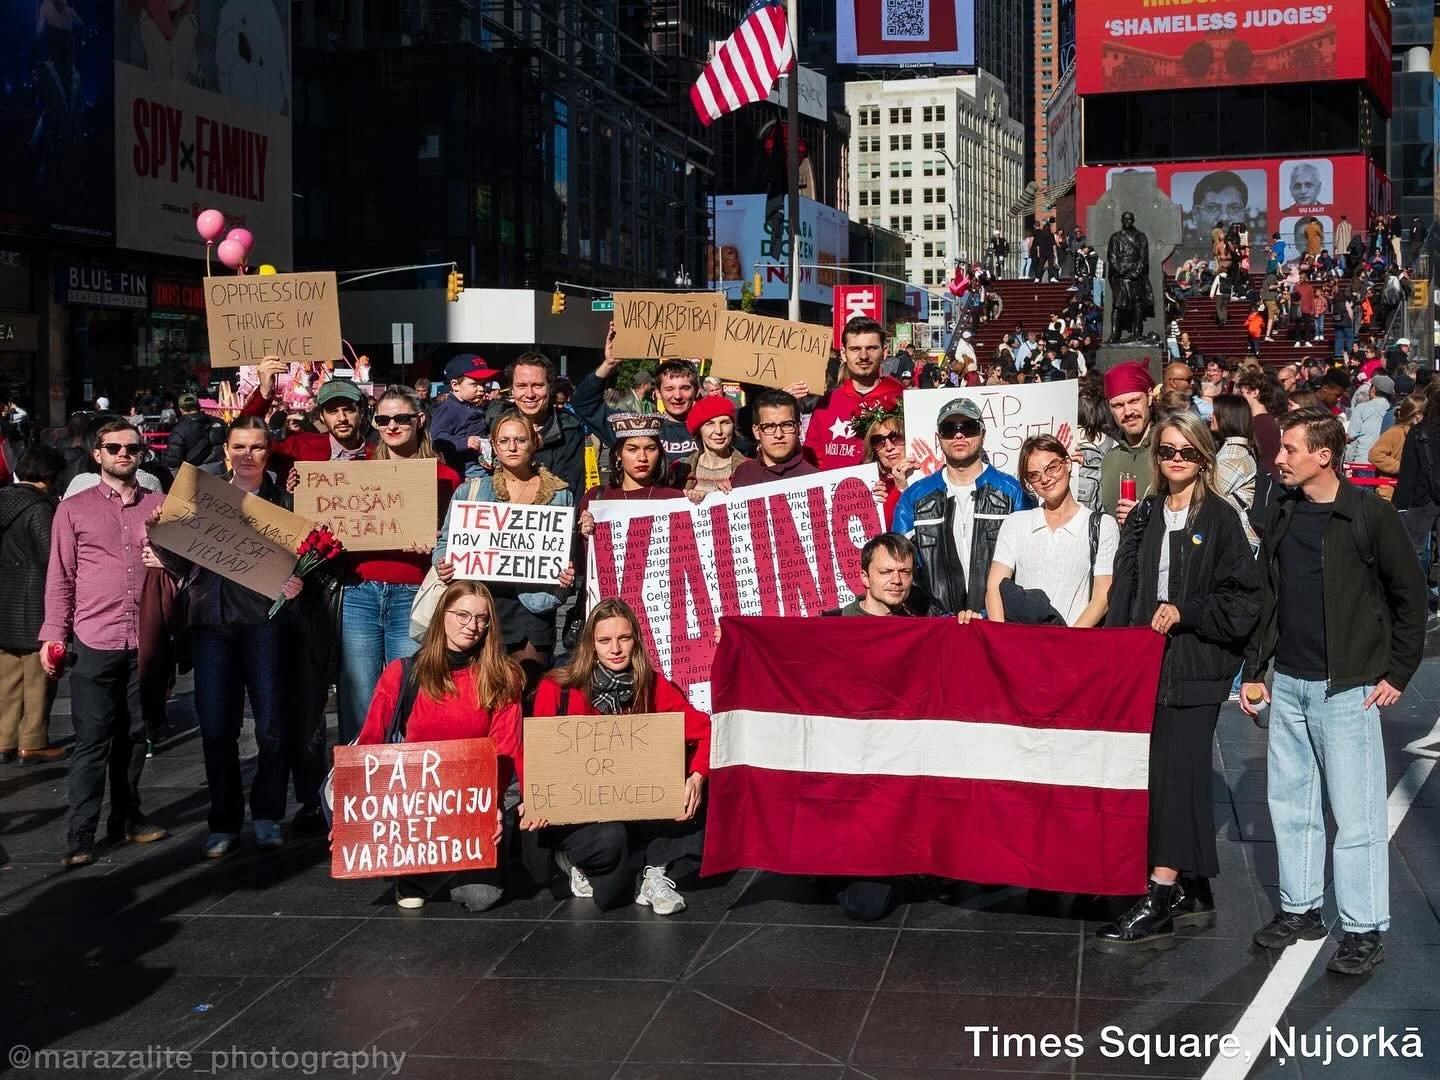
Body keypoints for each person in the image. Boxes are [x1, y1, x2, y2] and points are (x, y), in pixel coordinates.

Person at [1242, 408, 1426, 974]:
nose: (1279, 458)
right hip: (1290, 683)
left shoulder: (1370, 515)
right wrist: (1255, 668)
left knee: (1358, 815)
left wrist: (1397, 674)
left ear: (1323, 455)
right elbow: (1270, 595)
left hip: (1347, 690)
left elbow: (1410, 597)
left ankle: (1364, 927)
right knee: (1291, 806)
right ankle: (1301, 909)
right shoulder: (1284, 512)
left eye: (1289, 450)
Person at [1096, 412, 1262, 951]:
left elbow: (1243, 599)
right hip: (1147, 665)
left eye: (1186, 452)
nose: (1175, 460)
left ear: (1204, 458)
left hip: (1195, 665)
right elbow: (1127, 587)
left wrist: (1186, 611)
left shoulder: (1219, 519)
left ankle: (1160, 894)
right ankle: (1195, 888)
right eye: (1167, 451)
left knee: (1173, 776)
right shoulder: (1145, 513)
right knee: (1175, 776)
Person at [148, 417, 303, 857]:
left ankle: (269, 814)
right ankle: (224, 821)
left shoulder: (285, 503)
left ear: (267, 452)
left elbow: (305, 562)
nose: (246, 455)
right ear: (226, 450)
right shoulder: (202, 496)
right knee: (217, 728)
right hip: (210, 623)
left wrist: (297, 581)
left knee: (272, 725)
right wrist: (159, 533)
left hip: (264, 625)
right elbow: (179, 566)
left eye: (256, 447)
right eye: (239, 447)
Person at [523, 598, 711, 915]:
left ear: (635, 640)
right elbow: (537, 752)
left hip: (633, 803)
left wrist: (697, 777)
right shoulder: (559, 688)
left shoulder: (651, 684)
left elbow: (704, 729)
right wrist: (534, 798)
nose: (616, 649)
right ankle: (576, 860)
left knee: (708, 797)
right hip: (575, 812)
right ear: (590, 645)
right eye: (605, 640)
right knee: (611, 838)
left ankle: (653, 869)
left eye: (624, 638)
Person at [40, 421, 169, 866]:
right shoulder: (73, 509)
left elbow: (190, 570)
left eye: (132, 447)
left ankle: (127, 817)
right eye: (113, 447)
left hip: (145, 637)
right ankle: (80, 833)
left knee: (134, 736)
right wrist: (53, 634)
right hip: (94, 636)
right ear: (97, 454)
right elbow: (61, 577)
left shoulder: (161, 505)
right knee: (93, 737)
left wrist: (167, 560)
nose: (123, 453)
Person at [357, 580, 523, 911]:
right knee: (415, 894)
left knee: (480, 897)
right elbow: (369, 744)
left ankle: (457, 866)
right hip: (418, 801)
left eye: (482, 618)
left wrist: (492, 805)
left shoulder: (503, 676)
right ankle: (418, 871)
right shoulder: (403, 673)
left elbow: (506, 750)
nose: (472, 626)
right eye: (462, 615)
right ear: (441, 615)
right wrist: (352, 819)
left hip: (473, 798)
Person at [337, 386, 461, 743]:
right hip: (359, 592)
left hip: (413, 594)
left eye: (401, 418)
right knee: (359, 696)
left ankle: (403, 785)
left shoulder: (447, 477)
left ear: (419, 421)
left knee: (409, 693)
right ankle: (356, 785)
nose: (391, 426)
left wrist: (438, 545)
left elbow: (455, 538)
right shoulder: (353, 473)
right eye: (383, 419)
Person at [434, 410, 575, 696]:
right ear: (494, 446)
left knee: (528, 694)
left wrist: (566, 573)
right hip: (482, 606)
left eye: (520, 440)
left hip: (534, 607)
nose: (512, 447)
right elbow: (445, 543)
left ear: (535, 443)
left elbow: (564, 550)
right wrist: (441, 563)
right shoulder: (470, 491)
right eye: (504, 440)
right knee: (481, 696)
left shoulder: (561, 495)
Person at [893, 397, 1030, 615]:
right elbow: (903, 570)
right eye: (949, 429)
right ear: (939, 438)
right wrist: (937, 617)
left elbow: (1028, 564)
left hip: (1000, 622)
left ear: (983, 434)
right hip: (937, 627)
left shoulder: (1013, 492)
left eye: (968, 427)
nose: (958, 434)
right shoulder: (913, 498)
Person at [980, 435, 1118, 626]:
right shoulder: (1015, 523)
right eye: (1034, 475)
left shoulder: (1102, 526)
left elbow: (1102, 599)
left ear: (1068, 463)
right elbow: (994, 587)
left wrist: (1067, 643)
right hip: (1022, 646)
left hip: (1072, 646)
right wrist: (1003, 639)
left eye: (1052, 467)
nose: (1045, 478)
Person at [0, 447, 67, 764]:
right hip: (32, 601)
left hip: (4, 599)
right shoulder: (39, 509)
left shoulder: (4, 499)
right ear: (51, 476)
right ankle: (33, 741)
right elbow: (50, 557)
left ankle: (4, 740)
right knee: (39, 677)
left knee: (7, 679)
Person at [576, 329, 700, 466]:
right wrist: (609, 364)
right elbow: (585, 405)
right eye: (669, 389)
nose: (677, 396)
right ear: (657, 393)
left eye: (685, 388)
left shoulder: (714, 429)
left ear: (696, 391)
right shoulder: (637, 427)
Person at [805, 317, 906, 469]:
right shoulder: (827, 404)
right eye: (855, 349)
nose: (863, 356)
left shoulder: (903, 399)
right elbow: (811, 461)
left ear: (884, 352)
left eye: (871, 348)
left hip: (895, 491)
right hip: (838, 491)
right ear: (844, 354)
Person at [487, 352, 588, 497]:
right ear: (512, 390)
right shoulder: (494, 419)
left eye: (537, 385)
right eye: (521, 386)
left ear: (550, 387)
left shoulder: (569, 429)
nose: (530, 394)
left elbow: (569, 491)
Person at [579, 413, 686, 544]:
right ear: (619, 454)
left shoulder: (677, 500)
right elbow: (578, 558)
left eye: (650, 448)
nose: (642, 457)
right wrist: (585, 536)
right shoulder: (596, 498)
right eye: (632, 449)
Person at [1099, 361, 1157, 524]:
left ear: (1150, 396)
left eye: (1134, 401)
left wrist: (1147, 514)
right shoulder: (1109, 459)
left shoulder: (1170, 451)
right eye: (1118, 405)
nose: (1128, 412)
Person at [732, 389, 819, 487]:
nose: (778, 435)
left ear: (799, 428)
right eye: (769, 426)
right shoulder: (743, 474)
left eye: (787, 425)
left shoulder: (815, 480)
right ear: (756, 432)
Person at [429, 355, 498, 473]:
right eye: (475, 384)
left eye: (484, 383)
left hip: (482, 463)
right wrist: (465, 442)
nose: (481, 389)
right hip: (466, 469)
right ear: (455, 385)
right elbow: (437, 437)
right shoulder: (448, 407)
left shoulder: (472, 406)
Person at [1210, 394, 1261, 549]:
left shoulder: (1234, 454)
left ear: (1228, 416)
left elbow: (1209, 492)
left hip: (1239, 540)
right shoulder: (1233, 449)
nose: (1210, 416)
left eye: (1216, 412)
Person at [854, 399, 914, 525]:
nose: (889, 447)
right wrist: (899, 488)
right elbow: (881, 528)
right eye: (879, 441)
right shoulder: (873, 487)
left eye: (896, 438)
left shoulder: (928, 473)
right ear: (874, 451)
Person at [678, 395, 744, 500]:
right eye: (710, 424)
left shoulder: (748, 469)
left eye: (725, 423)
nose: (719, 431)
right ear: (699, 430)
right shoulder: (680, 470)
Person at [1368, 392, 1425, 500]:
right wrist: (1401, 467)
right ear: (1417, 415)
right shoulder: (1395, 432)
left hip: (1408, 491)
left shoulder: (1419, 434)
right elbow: (1374, 454)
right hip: (1389, 491)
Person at [161, 392, 223, 470]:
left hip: (195, 475)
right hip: (220, 471)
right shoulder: (218, 422)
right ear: (199, 406)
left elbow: (173, 461)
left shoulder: (179, 429)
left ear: (181, 409)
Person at [1345, 374, 1393, 465]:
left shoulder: (1362, 408)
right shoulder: (1392, 411)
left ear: (1373, 389)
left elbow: (1352, 436)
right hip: (1383, 462)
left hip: (1361, 460)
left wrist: (1348, 461)